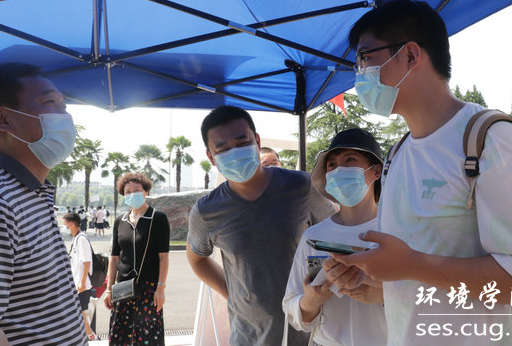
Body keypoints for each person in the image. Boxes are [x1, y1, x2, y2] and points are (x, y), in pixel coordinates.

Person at [328, 0, 512, 345]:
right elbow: (424, 281)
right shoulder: (396, 156)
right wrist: (373, 276)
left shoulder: (492, 141)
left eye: (365, 58)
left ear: (410, 55)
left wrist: (411, 265)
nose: (359, 75)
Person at [187, 105, 336, 346]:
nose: (234, 153)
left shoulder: (300, 186)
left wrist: (316, 287)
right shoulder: (206, 211)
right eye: (222, 149)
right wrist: (232, 294)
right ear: (211, 157)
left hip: (309, 331)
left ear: (256, 141)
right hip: (249, 336)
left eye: (242, 143)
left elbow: (331, 234)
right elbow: (197, 259)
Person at [0, 63, 87, 344]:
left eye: (64, 105)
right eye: (50, 103)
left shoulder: (27, 190)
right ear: (3, 118)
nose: (65, 116)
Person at [283, 128, 387, 345]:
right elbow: (293, 307)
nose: (339, 170)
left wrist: (383, 294)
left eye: (350, 160)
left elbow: (422, 295)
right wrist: (312, 300)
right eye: (332, 164)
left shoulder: (395, 232)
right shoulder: (314, 237)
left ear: (376, 171)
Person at [104, 172, 170, 345]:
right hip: (122, 289)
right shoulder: (120, 221)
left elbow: (163, 257)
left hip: (149, 290)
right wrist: (109, 289)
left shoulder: (158, 218)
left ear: (146, 192)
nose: (132, 194)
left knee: (148, 338)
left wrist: (161, 288)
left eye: (137, 190)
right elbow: (114, 258)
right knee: (121, 338)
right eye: (128, 192)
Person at [63, 212, 97, 341]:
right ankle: (89, 335)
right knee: (78, 313)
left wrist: (82, 282)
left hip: (83, 284)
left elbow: (86, 262)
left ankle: (91, 336)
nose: (65, 226)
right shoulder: (76, 238)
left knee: (79, 312)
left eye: (66, 224)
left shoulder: (81, 239)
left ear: (71, 224)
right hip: (77, 283)